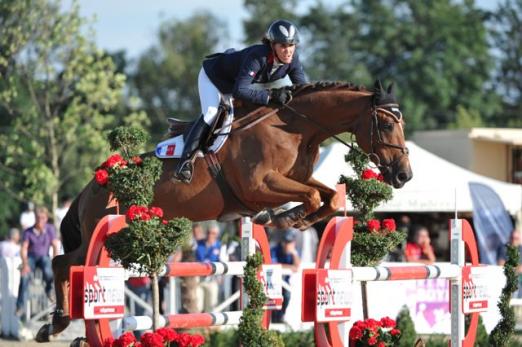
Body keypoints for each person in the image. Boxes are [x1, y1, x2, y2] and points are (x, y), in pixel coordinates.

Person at [174, 19, 307, 183]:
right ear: (273, 45)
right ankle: (184, 164)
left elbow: (303, 90)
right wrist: (271, 96)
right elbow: (240, 90)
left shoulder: (292, 60)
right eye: (283, 46)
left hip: (234, 82)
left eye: (291, 45)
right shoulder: (257, 57)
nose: (288, 51)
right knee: (211, 113)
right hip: (213, 77)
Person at [16, 207, 60, 317]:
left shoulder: (50, 229)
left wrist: (55, 260)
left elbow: (55, 245)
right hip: (31, 257)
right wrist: (25, 264)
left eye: (43, 218)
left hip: (44, 256)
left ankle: (49, 290)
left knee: (47, 268)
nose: (40, 220)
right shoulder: (28, 231)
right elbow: (24, 248)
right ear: (35, 218)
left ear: (46, 219)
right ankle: (20, 305)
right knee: (24, 275)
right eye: (38, 218)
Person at [270, 229, 301, 323]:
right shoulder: (274, 250)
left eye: (290, 242)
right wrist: (289, 267)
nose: (287, 244)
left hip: (286, 283)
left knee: (287, 296)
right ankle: (275, 319)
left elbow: (296, 267)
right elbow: (273, 265)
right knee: (273, 299)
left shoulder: (294, 252)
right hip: (273, 282)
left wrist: (294, 253)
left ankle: (280, 317)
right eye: (286, 242)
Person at [195, 223, 222, 312]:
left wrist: (220, 276)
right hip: (199, 278)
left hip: (213, 278)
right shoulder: (199, 244)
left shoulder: (220, 245)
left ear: (216, 235)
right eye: (209, 232)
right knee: (198, 304)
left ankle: (210, 326)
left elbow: (222, 260)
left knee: (211, 305)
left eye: (213, 233)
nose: (210, 235)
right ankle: (199, 324)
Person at [497, 228, 522, 297]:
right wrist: (516, 268)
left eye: (516, 238)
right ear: (509, 238)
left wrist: (511, 268)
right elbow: (501, 264)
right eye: (512, 238)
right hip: (506, 281)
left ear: (519, 240)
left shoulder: (521, 249)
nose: (514, 240)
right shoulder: (504, 248)